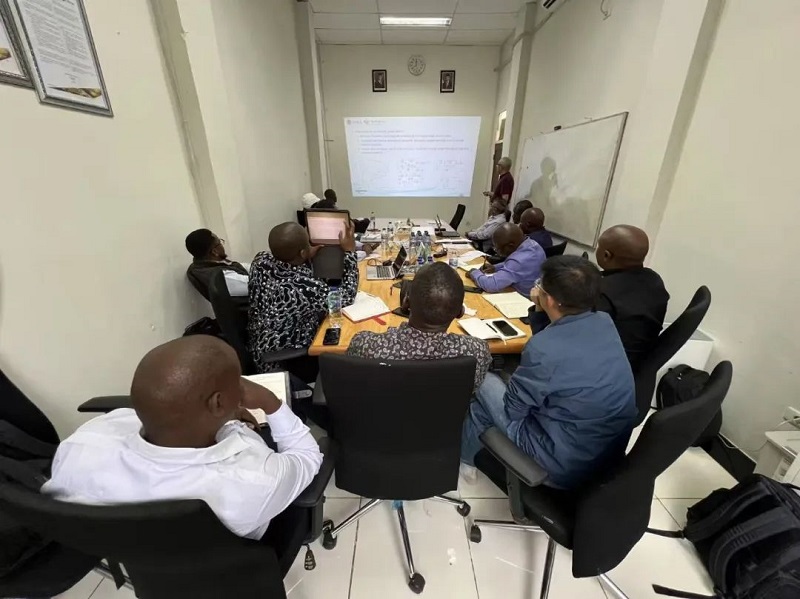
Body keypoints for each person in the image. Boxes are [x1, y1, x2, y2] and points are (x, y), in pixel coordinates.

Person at [43, 336, 323, 550]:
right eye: (237, 382)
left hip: (140, 555)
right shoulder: (255, 477)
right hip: (233, 559)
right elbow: (308, 456)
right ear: (218, 403)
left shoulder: (81, 445)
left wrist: (223, 416)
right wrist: (270, 403)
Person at [461, 256, 636, 489]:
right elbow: (555, 341)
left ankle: (466, 462)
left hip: (559, 464)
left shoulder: (544, 349)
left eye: (540, 285)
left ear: (550, 300)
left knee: (480, 374)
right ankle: (470, 460)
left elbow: (513, 410)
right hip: (604, 457)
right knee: (497, 391)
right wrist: (539, 309)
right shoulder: (604, 322)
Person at [347, 262, 492, 391]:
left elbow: (353, 384)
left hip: (381, 413)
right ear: (460, 312)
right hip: (446, 413)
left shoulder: (365, 346)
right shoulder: (477, 352)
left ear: (406, 302)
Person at [248, 221, 358, 373]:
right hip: (284, 356)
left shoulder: (260, 261)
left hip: (259, 346)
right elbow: (346, 297)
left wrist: (306, 255)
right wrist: (350, 252)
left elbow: (295, 267)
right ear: (301, 253)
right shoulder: (303, 286)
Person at [595, 225, 670, 371]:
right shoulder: (654, 279)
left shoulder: (603, 291)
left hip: (606, 368)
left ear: (606, 255)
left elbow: (580, 334)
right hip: (637, 361)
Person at [468, 223, 545, 297]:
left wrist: (474, 272)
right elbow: (517, 264)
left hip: (522, 299)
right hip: (535, 295)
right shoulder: (533, 245)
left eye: (497, 249)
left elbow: (491, 285)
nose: (497, 252)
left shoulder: (518, 261)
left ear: (510, 246)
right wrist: (495, 267)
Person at [185, 229, 249, 300]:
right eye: (220, 242)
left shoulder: (200, 266)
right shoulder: (221, 277)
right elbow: (255, 284)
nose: (222, 245)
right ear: (215, 251)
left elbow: (237, 266)